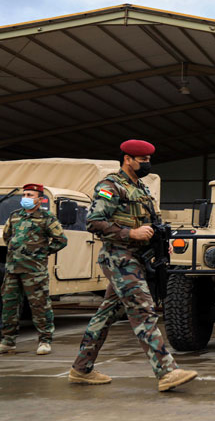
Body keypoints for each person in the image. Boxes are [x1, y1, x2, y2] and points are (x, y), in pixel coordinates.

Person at [68, 139, 198, 391]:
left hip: (139, 257)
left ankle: (80, 369)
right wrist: (131, 234)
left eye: (149, 160)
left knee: (105, 315)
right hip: (119, 258)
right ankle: (167, 372)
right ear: (128, 159)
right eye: (143, 160)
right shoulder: (110, 186)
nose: (147, 164)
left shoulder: (142, 188)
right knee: (143, 308)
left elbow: (155, 221)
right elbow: (94, 222)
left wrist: (165, 242)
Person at [0, 184, 67, 355]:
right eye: (24, 194)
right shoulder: (15, 217)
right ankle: (8, 341)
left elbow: (61, 240)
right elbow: (7, 237)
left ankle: (44, 340)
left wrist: (42, 253)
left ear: (39, 199)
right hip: (13, 269)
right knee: (9, 305)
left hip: (34, 271)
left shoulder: (47, 218)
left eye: (29, 194)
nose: (25, 197)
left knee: (39, 306)